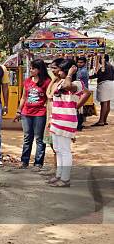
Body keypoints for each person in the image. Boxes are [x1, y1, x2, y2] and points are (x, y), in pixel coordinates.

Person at [47, 58, 84, 187]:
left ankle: (65, 179)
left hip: (66, 121)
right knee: (57, 149)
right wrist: (51, 118)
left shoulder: (77, 83)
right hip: (57, 120)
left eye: (62, 70)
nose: (59, 73)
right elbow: (51, 97)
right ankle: (59, 175)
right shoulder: (60, 82)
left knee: (64, 150)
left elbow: (69, 87)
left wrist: (69, 74)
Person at [14, 59, 51, 170]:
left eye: (33, 68)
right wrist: (19, 110)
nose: (31, 70)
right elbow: (24, 97)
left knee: (39, 138)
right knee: (27, 138)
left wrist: (48, 110)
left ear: (39, 70)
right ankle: (24, 161)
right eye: (30, 68)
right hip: (26, 113)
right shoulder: (27, 81)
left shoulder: (47, 81)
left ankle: (38, 163)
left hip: (40, 113)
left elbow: (49, 98)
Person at [89, 54, 114, 126]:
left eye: (99, 59)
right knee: (107, 102)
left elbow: (97, 75)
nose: (98, 60)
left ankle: (101, 121)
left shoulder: (104, 66)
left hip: (105, 84)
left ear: (103, 59)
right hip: (111, 84)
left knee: (104, 103)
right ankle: (104, 120)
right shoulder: (111, 66)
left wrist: (89, 77)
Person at [76, 56, 89, 130]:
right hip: (82, 91)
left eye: (81, 62)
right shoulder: (81, 69)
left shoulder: (83, 71)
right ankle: (79, 124)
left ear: (84, 63)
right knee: (79, 108)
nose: (79, 64)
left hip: (82, 92)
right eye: (78, 62)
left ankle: (79, 125)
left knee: (78, 108)